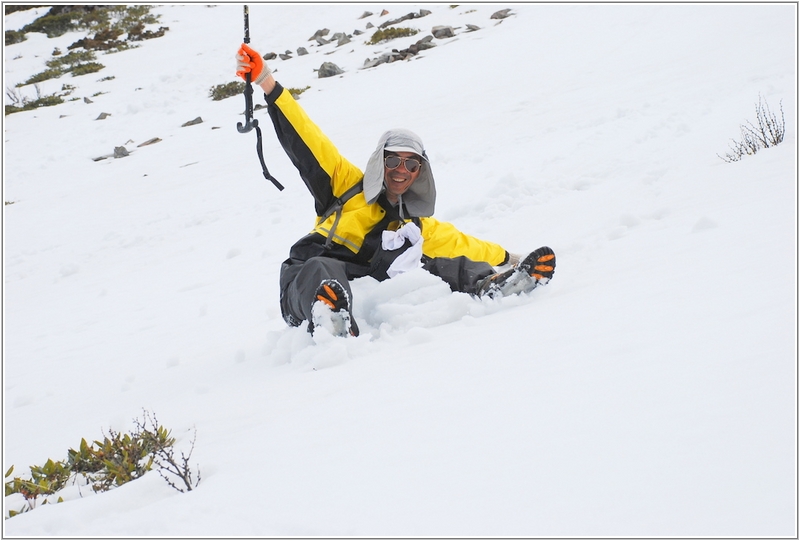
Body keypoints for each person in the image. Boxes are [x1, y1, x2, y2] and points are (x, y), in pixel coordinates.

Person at [236, 43, 556, 337]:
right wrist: (266, 80)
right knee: (321, 270)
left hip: (362, 286)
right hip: (306, 282)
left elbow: (463, 244)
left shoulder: (414, 225)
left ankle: (495, 285)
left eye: (411, 164)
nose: (401, 170)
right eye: (393, 160)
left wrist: (509, 257)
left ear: (420, 173)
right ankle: (326, 313)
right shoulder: (345, 184)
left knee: (448, 263)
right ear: (380, 161)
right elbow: (307, 139)